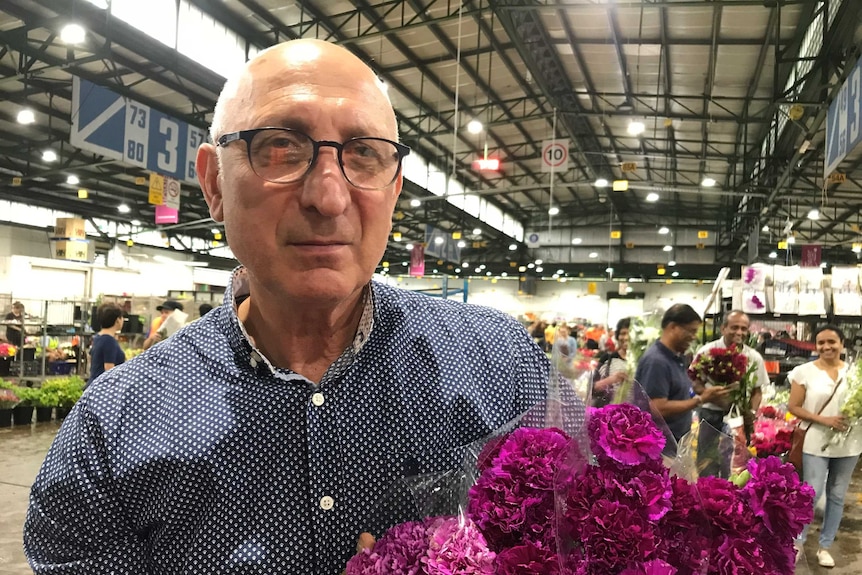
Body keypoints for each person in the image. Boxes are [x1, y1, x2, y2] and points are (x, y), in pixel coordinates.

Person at [24, 39, 548, 575]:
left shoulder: (503, 365)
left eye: (364, 152)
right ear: (213, 184)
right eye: (280, 147)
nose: (328, 197)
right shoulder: (114, 426)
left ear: (393, 188)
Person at [787, 325, 862, 568]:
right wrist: (824, 420)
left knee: (838, 495)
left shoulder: (855, 372)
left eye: (832, 342)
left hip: (850, 444)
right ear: (815, 346)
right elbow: (794, 407)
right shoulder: (803, 371)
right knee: (812, 493)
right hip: (816, 441)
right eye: (821, 343)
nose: (827, 347)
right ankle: (797, 542)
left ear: (842, 344)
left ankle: (825, 545)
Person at [635, 304, 732, 446]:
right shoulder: (657, 361)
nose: (693, 337)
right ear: (673, 327)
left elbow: (679, 392)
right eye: (691, 331)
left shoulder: (676, 358)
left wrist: (702, 391)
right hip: (660, 447)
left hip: (674, 443)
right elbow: (657, 407)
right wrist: (701, 400)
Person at [691, 310, 768, 477]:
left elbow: (757, 391)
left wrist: (752, 413)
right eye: (734, 327)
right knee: (707, 463)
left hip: (739, 418)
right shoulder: (707, 352)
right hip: (710, 415)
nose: (739, 332)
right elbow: (695, 382)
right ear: (723, 328)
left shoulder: (753, 357)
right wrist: (710, 394)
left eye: (743, 328)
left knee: (736, 465)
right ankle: (708, 497)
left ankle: (731, 499)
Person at [592, 317, 630, 407]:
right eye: (623, 333)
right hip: (610, 415)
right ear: (617, 336)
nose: (626, 337)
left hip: (637, 417)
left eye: (629, 333)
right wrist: (609, 380)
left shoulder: (643, 362)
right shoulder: (607, 359)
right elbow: (591, 389)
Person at [88, 302, 126, 383]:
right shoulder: (109, 341)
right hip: (103, 388)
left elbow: (90, 357)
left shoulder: (98, 337)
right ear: (117, 320)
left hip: (94, 383)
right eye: (122, 317)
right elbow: (109, 369)